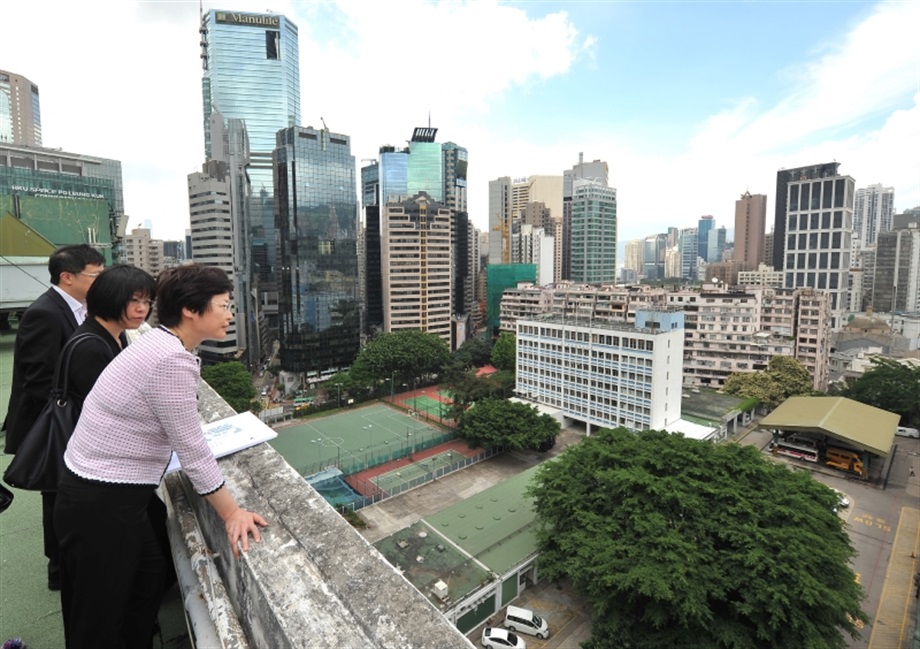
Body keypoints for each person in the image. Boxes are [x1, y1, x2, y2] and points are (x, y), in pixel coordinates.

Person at [54, 264, 267, 649]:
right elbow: (192, 451)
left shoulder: (159, 344)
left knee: (147, 578)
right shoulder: (169, 359)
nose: (230, 313)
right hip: (102, 499)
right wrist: (232, 513)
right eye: (223, 305)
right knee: (99, 618)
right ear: (190, 309)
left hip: (105, 493)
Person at [3, 243, 105, 591]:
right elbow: (39, 380)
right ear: (68, 277)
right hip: (52, 425)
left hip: (67, 419)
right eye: (95, 275)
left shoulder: (76, 308)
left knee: (66, 494)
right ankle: (59, 568)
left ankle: (67, 560)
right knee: (56, 497)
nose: (101, 281)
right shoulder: (44, 313)